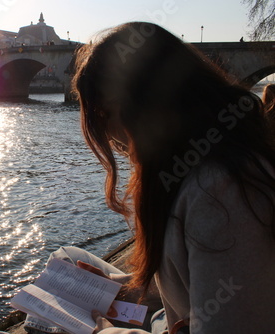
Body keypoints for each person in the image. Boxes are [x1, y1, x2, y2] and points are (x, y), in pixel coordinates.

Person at [32, 22, 275, 334]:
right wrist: (117, 287)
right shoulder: (194, 162)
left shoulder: (221, 195)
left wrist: (101, 332)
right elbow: (190, 276)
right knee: (66, 259)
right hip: (173, 315)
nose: (111, 136)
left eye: (105, 116)